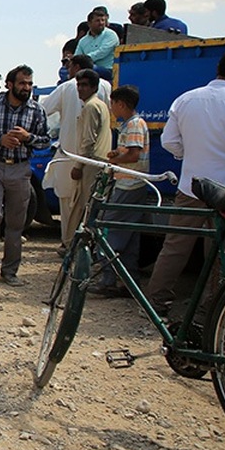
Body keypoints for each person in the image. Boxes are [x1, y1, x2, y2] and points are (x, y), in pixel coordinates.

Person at [144, 49, 225, 311]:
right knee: (221, 252)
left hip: (191, 187)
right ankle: (213, 307)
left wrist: (187, 154)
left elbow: (169, 142)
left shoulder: (186, 99)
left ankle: (156, 299)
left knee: (176, 245)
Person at [0, 64, 50, 286]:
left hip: (20, 168)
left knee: (16, 221)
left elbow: (46, 140)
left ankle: (10, 271)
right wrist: (0, 139)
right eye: (22, 83)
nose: (26, 88)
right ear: (9, 85)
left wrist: (28, 137)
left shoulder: (36, 110)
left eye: (29, 84)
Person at [41, 53, 112, 252]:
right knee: (92, 206)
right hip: (98, 159)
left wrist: (79, 165)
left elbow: (43, 110)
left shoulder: (70, 89)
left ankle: (70, 244)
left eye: (68, 64)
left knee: (71, 205)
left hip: (76, 158)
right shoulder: (106, 88)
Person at [88, 85, 150, 297]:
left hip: (128, 185)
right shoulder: (133, 125)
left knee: (110, 232)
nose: (112, 108)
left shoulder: (133, 125)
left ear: (121, 104)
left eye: (113, 104)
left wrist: (114, 160)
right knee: (130, 237)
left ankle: (108, 281)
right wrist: (118, 153)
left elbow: (133, 156)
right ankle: (128, 283)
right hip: (133, 185)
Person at [66, 69, 113, 238]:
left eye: (84, 85)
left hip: (92, 163)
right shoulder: (99, 105)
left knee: (85, 207)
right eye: (78, 85)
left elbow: (88, 141)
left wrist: (78, 165)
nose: (80, 89)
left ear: (94, 87)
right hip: (99, 162)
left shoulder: (92, 106)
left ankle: (78, 246)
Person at [75, 6, 120, 80]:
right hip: (87, 67)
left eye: (103, 20)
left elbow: (101, 52)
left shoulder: (111, 35)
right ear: (89, 23)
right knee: (65, 70)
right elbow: (77, 56)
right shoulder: (83, 40)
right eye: (97, 21)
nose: (101, 23)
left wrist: (85, 61)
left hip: (107, 70)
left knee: (88, 70)